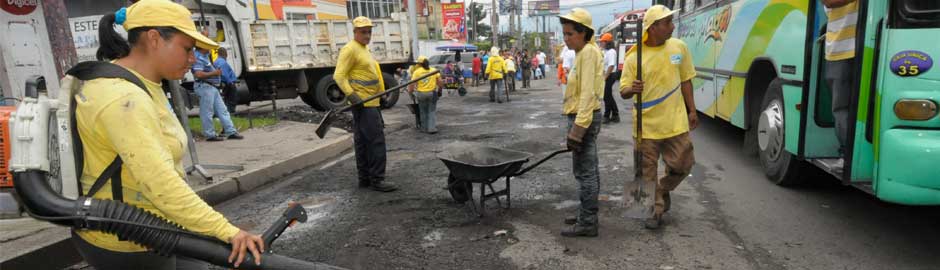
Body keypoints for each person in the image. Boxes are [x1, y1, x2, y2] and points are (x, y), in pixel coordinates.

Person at [72, 1, 263, 269]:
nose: (191, 59)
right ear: (154, 38)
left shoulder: (144, 83)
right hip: (128, 241)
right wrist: (227, 231)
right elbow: (160, 184)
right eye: (187, 49)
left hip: (156, 228)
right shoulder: (124, 97)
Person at [619, 5, 697, 230]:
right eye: (668, 23)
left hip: (675, 122)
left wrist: (692, 110)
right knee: (645, 173)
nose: (673, 26)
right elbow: (623, 91)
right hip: (645, 126)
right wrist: (632, 89)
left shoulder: (679, 47)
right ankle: (654, 209)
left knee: (683, 164)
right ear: (653, 28)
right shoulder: (635, 56)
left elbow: (686, 81)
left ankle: (662, 190)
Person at [334, 16, 398, 192]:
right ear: (355, 32)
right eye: (363, 32)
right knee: (376, 141)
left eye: (369, 32)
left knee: (362, 142)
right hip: (363, 103)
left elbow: (371, 74)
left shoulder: (364, 49)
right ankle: (378, 179)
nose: (367, 35)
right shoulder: (350, 49)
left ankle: (365, 179)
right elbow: (339, 76)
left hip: (371, 102)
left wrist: (380, 94)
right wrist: (352, 96)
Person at [558, 8, 604, 238]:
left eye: (570, 34)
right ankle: (586, 214)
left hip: (583, 118)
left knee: (584, 173)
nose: (566, 38)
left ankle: (587, 222)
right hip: (585, 117)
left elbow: (587, 94)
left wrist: (577, 130)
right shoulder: (584, 52)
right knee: (590, 170)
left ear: (584, 33)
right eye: (564, 34)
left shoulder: (587, 53)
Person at [823, 0, 857, 172]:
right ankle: (847, 155)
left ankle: (849, 156)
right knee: (843, 108)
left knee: (845, 108)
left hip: (861, 47)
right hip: (840, 50)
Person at [193, 35, 243, 141]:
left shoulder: (204, 55)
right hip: (205, 86)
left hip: (211, 87)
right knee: (208, 111)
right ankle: (210, 134)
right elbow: (198, 74)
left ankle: (230, 131)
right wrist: (215, 73)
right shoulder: (198, 57)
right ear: (202, 46)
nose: (210, 48)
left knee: (222, 110)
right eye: (207, 45)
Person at [409, 56, 443, 133]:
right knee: (431, 111)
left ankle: (424, 128)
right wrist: (440, 91)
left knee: (423, 111)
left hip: (421, 94)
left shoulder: (417, 72)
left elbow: (411, 84)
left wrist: (411, 92)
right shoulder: (433, 70)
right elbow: (440, 82)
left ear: (419, 64)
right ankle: (432, 128)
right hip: (432, 93)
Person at [599, 33, 620, 123]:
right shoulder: (606, 51)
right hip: (607, 74)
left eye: (602, 42)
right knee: (608, 96)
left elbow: (611, 66)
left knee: (606, 96)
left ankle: (607, 115)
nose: (601, 43)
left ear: (607, 42)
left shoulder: (611, 52)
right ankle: (615, 114)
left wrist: (605, 77)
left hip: (611, 74)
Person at [214, 47, 238, 114]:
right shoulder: (223, 62)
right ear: (226, 54)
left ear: (218, 54)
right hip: (226, 83)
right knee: (231, 98)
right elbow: (224, 74)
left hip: (221, 83)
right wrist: (230, 83)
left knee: (224, 99)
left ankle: (224, 113)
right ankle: (230, 112)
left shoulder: (216, 61)